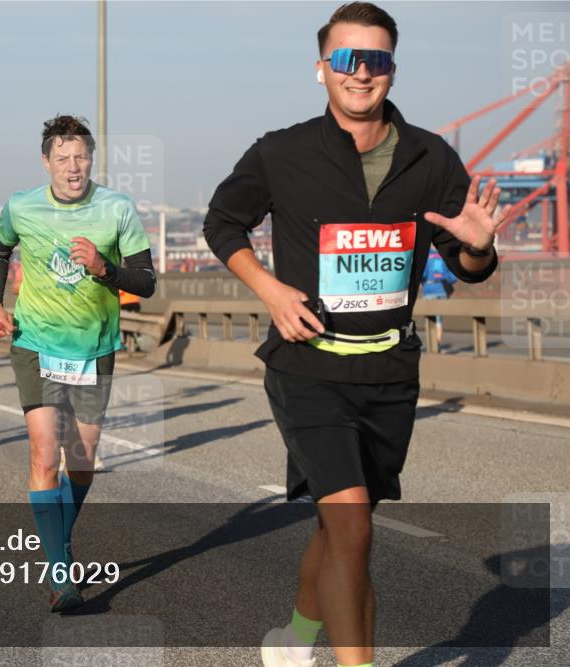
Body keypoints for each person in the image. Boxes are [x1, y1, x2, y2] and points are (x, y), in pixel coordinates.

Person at [201, 5, 503, 666]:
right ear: (321, 69)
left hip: (389, 371)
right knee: (353, 524)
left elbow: (467, 265)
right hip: (306, 366)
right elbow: (222, 223)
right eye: (346, 59)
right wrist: (271, 291)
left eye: (377, 60)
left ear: (392, 69)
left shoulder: (431, 156)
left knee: (339, 526)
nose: (361, 73)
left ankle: (294, 641)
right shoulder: (280, 151)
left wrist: (479, 248)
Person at [0, 115, 156, 611]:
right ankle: (61, 574)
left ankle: (57, 539)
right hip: (35, 342)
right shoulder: (22, 205)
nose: (72, 166)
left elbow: (146, 282)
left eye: (80, 157)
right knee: (43, 456)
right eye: (62, 158)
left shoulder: (117, 209)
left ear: (92, 159)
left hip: (94, 348)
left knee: (80, 464)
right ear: (46, 162)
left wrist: (106, 268)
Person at [420, 248, 457, 347]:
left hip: (429, 289)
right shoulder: (445, 255)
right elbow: (453, 276)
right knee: (439, 319)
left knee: (429, 318)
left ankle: (432, 343)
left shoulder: (426, 256)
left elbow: (421, 274)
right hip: (442, 289)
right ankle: (438, 342)